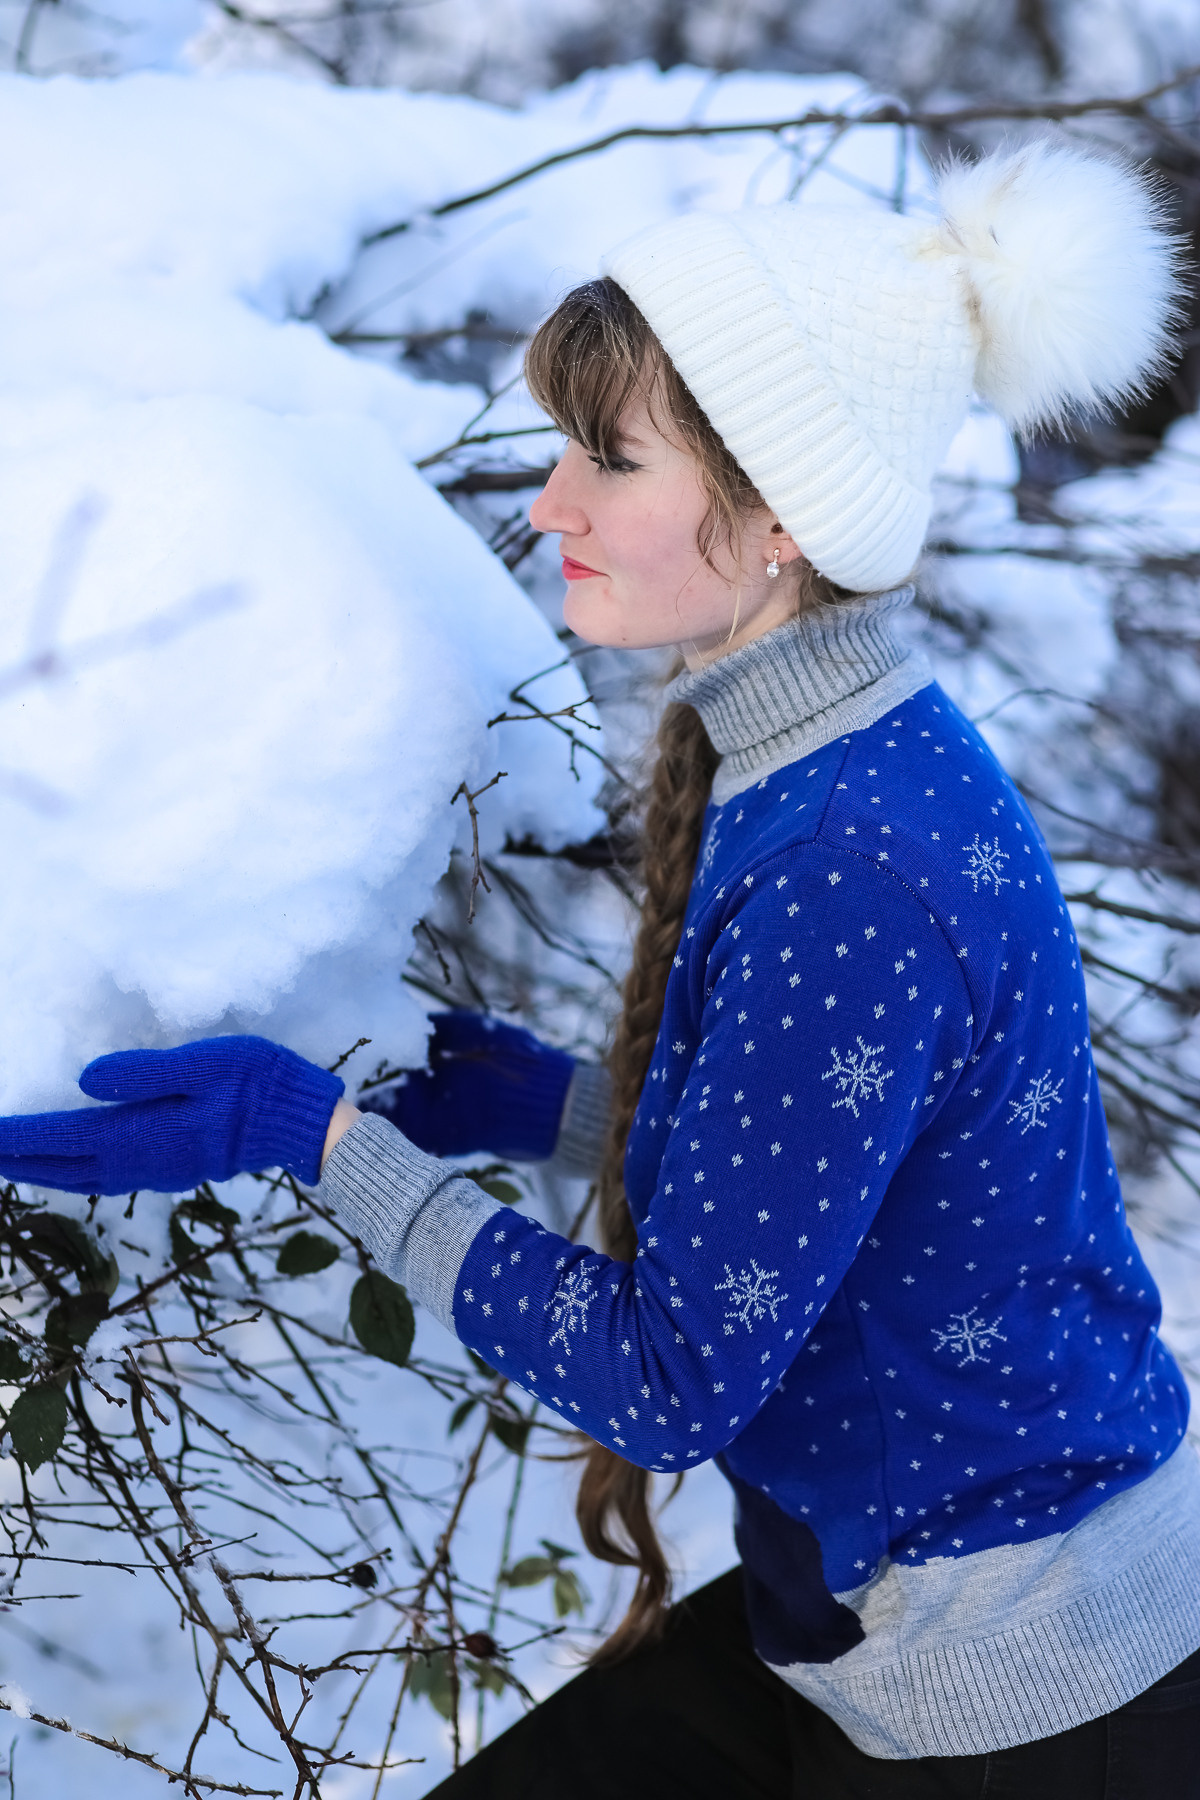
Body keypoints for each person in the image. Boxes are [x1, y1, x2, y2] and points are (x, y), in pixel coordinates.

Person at [2, 139, 1199, 1797]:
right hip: (914, 1611)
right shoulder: (847, 760)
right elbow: (849, 1174)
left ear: (779, 510)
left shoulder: (845, 868)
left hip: (1019, 1691)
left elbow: (667, 1375)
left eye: (608, 456)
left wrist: (321, 1144)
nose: (551, 498)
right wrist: (574, 1108)